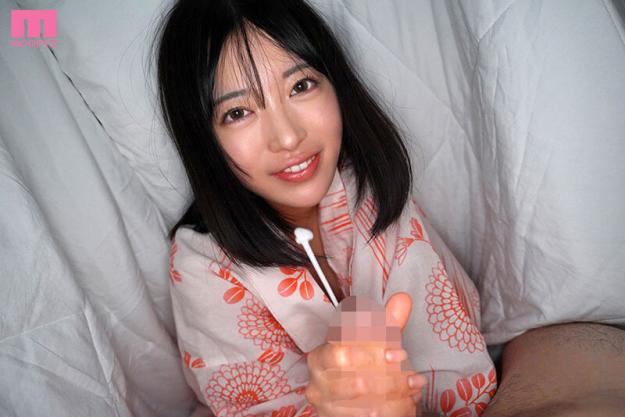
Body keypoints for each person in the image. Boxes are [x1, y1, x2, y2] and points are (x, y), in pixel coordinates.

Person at [152, 0, 496, 415]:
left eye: (300, 86)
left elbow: (464, 374)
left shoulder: (371, 192)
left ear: (335, 84)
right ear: (204, 140)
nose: (287, 137)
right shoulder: (202, 265)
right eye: (238, 112)